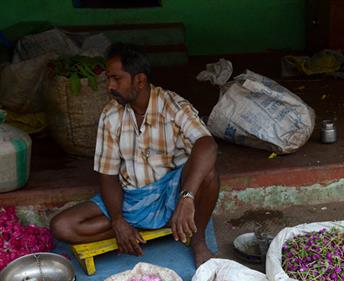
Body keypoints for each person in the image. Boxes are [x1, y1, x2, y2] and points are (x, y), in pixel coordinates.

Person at [50, 43, 219, 267]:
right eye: (109, 79)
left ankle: (198, 241)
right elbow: (108, 177)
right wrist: (118, 221)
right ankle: (141, 226)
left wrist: (187, 198)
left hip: (173, 191)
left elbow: (208, 145)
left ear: (139, 80)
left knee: (209, 175)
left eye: (116, 79)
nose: (109, 86)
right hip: (132, 198)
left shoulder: (173, 105)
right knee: (62, 226)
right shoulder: (111, 115)